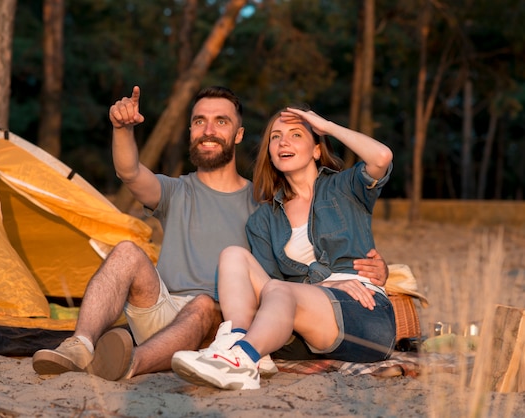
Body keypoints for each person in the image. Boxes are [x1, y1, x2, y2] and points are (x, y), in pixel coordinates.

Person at [32, 88, 389, 381]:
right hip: (164, 305)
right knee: (126, 251)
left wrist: (373, 272)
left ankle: (132, 363)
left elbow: (288, 275)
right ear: (190, 132)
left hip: (215, 317)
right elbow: (128, 172)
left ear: (237, 135)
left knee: (204, 304)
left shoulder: (264, 201)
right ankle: (79, 345)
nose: (208, 129)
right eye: (199, 121)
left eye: (220, 121)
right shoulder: (184, 194)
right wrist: (122, 128)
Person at [171, 106, 396, 390]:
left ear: (316, 150)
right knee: (233, 255)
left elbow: (382, 157)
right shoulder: (264, 219)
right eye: (275, 137)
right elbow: (269, 291)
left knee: (280, 289)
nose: (283, 142)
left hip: (364, 315)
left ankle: (241, 361)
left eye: (296, 134)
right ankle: (239, 343)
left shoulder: (345, 188)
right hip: (304, 324)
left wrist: (326, 126)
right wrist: (323, 286)